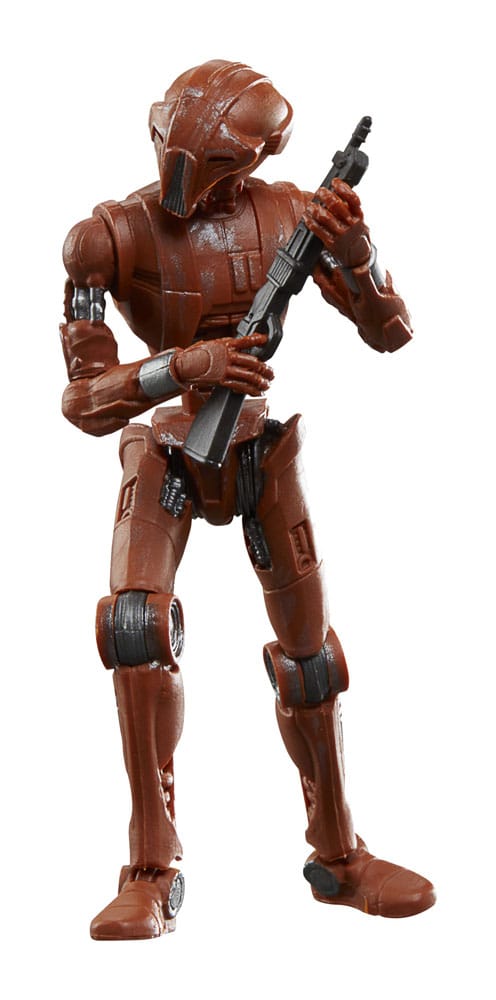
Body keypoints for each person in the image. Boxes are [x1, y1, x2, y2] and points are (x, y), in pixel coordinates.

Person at [61, 59, 435, 940]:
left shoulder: (291, 212)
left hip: (260, 446)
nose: (215, 185)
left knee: (310, 659)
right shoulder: (106, 240)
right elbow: (82, 400)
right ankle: (150, 868)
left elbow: (391, 331)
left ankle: (338, 855)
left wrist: (356, 251)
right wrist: (182, 366)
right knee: (134, 626)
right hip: (170, 449)